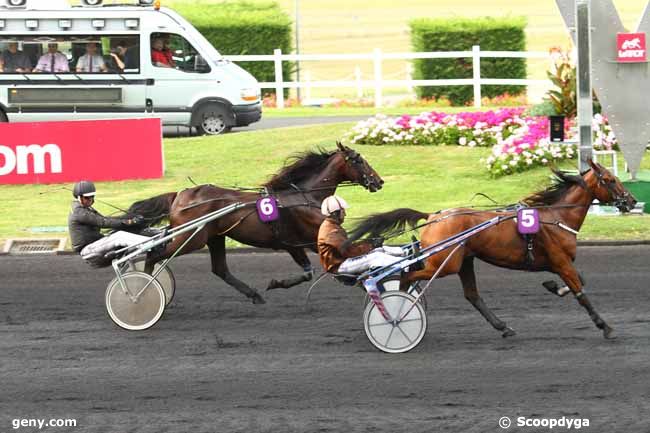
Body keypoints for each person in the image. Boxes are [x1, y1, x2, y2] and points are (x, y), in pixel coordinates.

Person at [317, 195, 407, 275]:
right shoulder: (331, 232)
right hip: (339, 265)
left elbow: (349, 247)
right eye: (343, 211)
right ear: (335, 213)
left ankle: (404, 253)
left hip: (343, 260)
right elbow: (350, 252)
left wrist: (369, 243)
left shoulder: (332, 226)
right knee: (376, 257)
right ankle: (407, 265)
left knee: (379, 250)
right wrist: (370, 245)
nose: (345, 214)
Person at [68, 181, 148, 266]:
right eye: (87, 197)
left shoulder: (86, 209)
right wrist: (130, 222)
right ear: (79, 197)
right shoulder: (79, 212)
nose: (90, 200)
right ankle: (151, 245)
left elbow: (105, 219)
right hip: (88, 249)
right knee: (120, 236)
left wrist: (129, 218)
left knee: (118, 233)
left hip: (94, 244)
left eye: (92, 197)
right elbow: (104, 222)